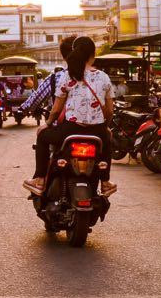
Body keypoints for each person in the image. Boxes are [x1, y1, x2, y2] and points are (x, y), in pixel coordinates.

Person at [24, 36, 116, 197]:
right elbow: (109, 110)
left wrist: (48, 123)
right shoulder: (104, 77)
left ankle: (39, 179)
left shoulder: (68, 76)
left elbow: (57, 108)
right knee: (107, 140)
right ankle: (105, 182)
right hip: (97, 131)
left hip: (70, 130)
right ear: (93, 54)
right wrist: (105, 126)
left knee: (42, 136)